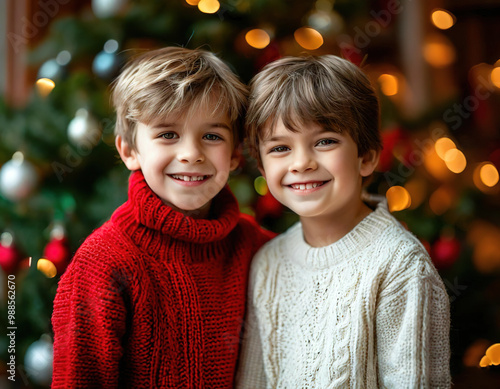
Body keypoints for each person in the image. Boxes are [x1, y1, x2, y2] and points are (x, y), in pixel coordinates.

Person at [51, 47, 274, 388]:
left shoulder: (256, 246)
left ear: (233, 154)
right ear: (130, 151)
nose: (190, 154)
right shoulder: (103, 263)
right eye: (168, 134)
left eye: (212, 136)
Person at [236, 55, 451, 388]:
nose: (302, 163)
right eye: (280, 148)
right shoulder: (267, 263)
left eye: (325, 142)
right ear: (263, 170)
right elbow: (253, 380)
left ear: (366, 157)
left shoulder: (400, 266)